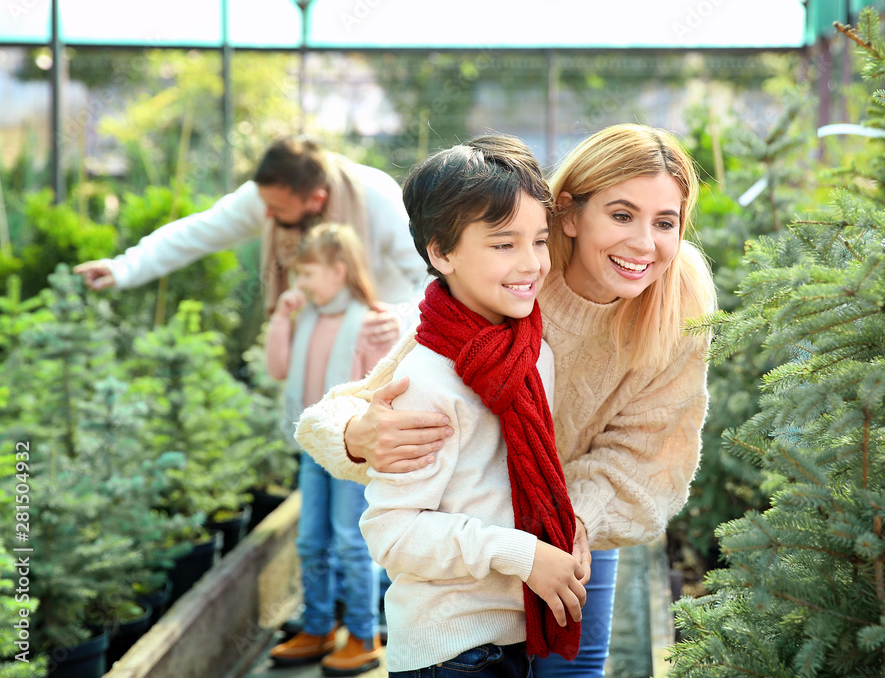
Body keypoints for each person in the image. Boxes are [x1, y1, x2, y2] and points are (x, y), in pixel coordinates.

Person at [297, 123, 716, 676]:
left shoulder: (679, 297)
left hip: (575, 517)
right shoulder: (519, 277)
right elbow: (364, 402)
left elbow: (649, 449)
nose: (644, 243)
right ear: (567, 212)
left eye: (666, 222)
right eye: (620, 215)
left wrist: (574, 524)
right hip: (475, 555)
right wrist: (356, 436)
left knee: (572, 669)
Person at [357, 135, 588, 677]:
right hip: (450, 652)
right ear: (441, 252)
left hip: (509, 641)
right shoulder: (426, 379)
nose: (531, 263)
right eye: (504, 244)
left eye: (539, 240)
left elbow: (516, 480)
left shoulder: (533, 350)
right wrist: (523, 554)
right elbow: (391, 533)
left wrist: (565, 527)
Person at [73, 137, 427, 317]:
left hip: (379, 346)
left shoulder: (375, 196)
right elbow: (196, 233)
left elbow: (426, 273)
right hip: (312, 346)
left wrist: (395, 321)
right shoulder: (266, 198)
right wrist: (122, 268)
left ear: (316, 200)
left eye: (277, 208)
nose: (267, 216)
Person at [265, 223, 391, 675]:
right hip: (313, 450)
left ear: (339, 271)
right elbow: (278, 368)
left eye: (308, 274)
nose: (301, 284)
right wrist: (281, 317)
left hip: (349, 451)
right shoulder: (308, 318)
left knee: (350, 540)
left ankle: (363, 633)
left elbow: (377, 391)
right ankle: (317, 626)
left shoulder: (371, 323)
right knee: (309, 539)